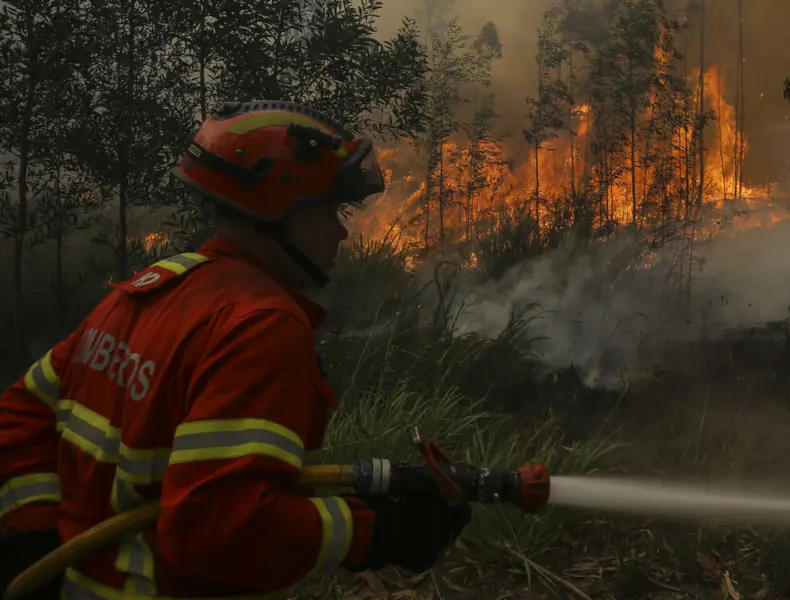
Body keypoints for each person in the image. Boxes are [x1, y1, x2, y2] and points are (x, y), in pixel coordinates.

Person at [0, 100, 470, 600]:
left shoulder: (146, 291)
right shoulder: (260, 325)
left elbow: (20, 413)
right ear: (276, 209)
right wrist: (379, 532)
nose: (340, 230)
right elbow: (219, 528)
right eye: (328, 210)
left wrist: (34, 540)